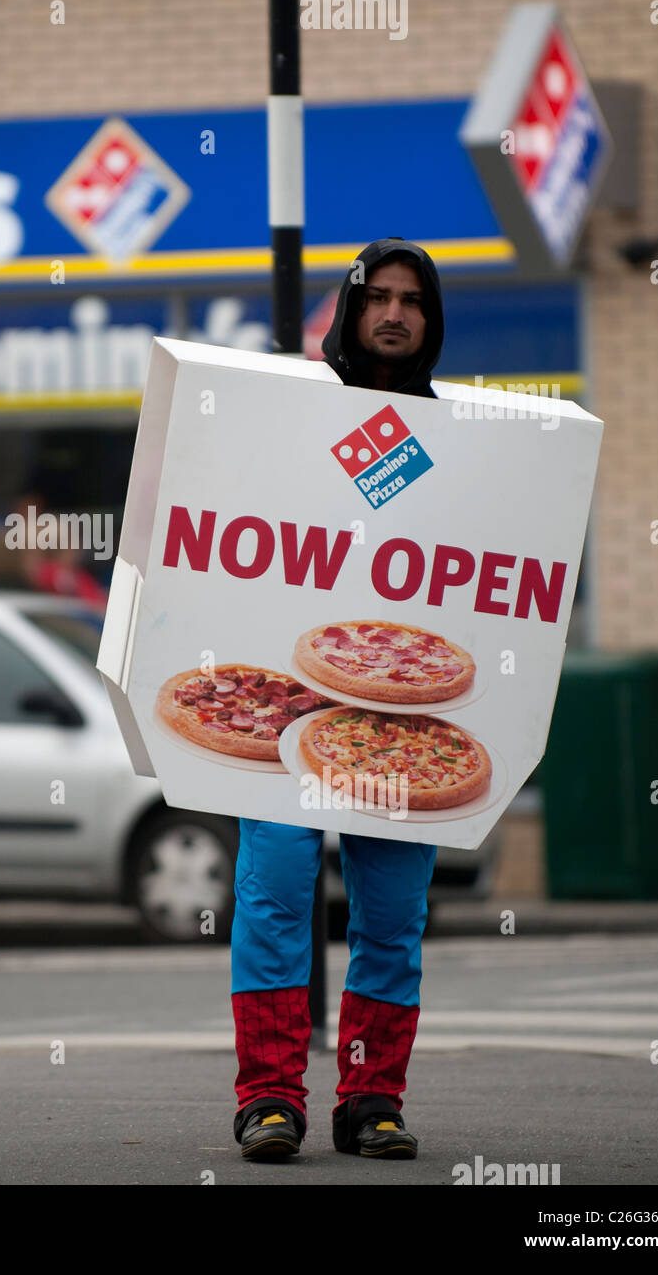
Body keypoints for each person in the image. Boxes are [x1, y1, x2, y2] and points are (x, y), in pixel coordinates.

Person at [231, 236, 446, 1162]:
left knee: (392, 920)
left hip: (412, 733)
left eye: (413, 300)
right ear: (352, 312)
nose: (395, 313)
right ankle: (269, 1099)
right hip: (284, 712)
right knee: (275, 902)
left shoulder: (467, 444)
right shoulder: (292, 420)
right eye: (378, 298)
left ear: (431, 321)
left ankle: (372, 1102)